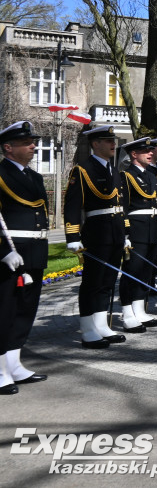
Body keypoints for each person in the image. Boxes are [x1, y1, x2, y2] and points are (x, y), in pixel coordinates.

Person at [65, 125, 130, 348]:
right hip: (97, 231)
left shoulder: (114, 170)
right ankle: (87, 328)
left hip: (115, 232)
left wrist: (125, 233)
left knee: (108, 281)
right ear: (95, 144)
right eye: (107, 140)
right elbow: (73, 205)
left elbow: (122, 205)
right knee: (92, 281)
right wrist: (72, 236)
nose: (113, 144)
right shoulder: (82, 170)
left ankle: (101, 324)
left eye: (113, 140)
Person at [0, 121, 49, 393]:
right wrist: (4, 252)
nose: (33, 146)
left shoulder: (35, 177)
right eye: (26, 142)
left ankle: (14, 364)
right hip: (11, 252)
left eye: (33, 141)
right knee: (4, 311)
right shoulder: (1, 175)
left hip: (34, 252)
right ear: (8, 147)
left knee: (25, 310)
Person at [118, 137, 157, 333]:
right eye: (145, 151)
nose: (150, 153)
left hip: (153, 229)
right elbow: (123, 208)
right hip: (136, 230)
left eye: (151, 150)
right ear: (134, 154)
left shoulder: (152, 176)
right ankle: (127, 312)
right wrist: (125, 233)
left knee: (146, 272)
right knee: (132, 272)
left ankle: (140, 309)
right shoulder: (126, 177)